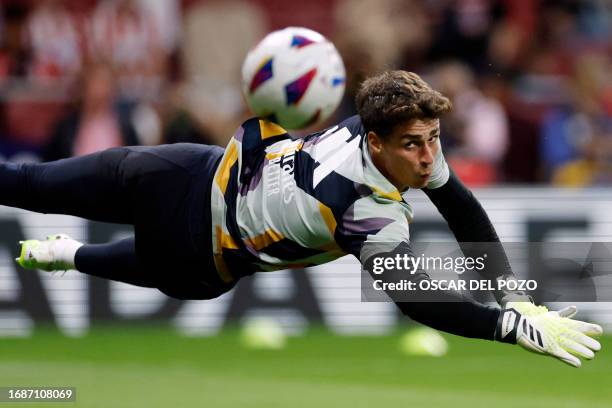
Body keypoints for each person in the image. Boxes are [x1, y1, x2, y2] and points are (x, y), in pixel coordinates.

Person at [3, 70, 602, 367]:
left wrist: (510, 294)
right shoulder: (367, 210)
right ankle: (70, 254)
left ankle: (67, 253)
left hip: (189, 192)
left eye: (435, 139)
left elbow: (461, 204)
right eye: (416, 143)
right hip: (192, 218)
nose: (429, 156)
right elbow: (416, 300)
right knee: (31, 184)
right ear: (376, 140)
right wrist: (503, 326)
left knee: (37, 187)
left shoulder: (373, 131)